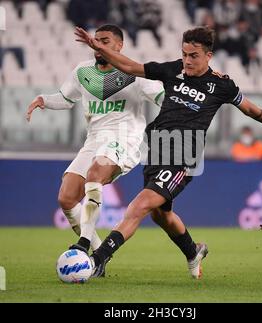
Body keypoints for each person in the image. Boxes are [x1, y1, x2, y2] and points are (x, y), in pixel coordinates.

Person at [74, 26, 262, 279]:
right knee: (161, 214)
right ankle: (193, 251)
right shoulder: (172, 69)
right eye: (185, 54)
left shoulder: (221, 85)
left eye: (194, 56)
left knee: (140, 205)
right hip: (157, 148)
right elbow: (130, 66)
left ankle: (98, 259)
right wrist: (99, 48)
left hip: (183, 156)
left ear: (208, 56)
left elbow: (250, 110)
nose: (187, 61)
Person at [26, 25, 164, 275]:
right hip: (94, 139)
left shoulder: (135, 73)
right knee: (66, 197)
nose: (97, 44)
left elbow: (164, 97)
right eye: (96, 40)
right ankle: (99, 256)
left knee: (95, 172)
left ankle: (84, 243)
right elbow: (66, 98)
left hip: (125, 137)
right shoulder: (82, 71)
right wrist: (43, 100)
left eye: (105, 41)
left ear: (119, 46)